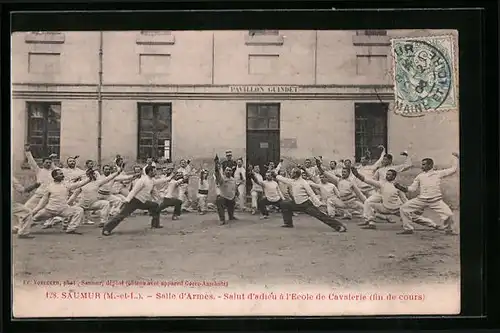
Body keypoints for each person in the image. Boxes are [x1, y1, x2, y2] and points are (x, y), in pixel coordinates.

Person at [350, 166, 435, 230]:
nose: (387, 176)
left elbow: (404, 199)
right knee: (368, 203)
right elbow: (368, 180)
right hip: (385, 208)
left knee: (415, 218)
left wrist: (411, 208)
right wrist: (357, 175)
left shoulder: (397, 186)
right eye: (387, 174)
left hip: (397, 208)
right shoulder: (381, 184)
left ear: (394, 176)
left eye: (389, 175)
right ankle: (371, 222)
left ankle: (433, 225)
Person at [395, 153, 459, 235]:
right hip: (421, 199)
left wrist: (456, 158)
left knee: (449, 214)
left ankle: (449, 230)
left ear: (430, 165)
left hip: (435, 200)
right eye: (422, 164)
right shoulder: (419, 176)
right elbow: (412, 189)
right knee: (404, 208)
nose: (422, 166)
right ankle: (408, 229)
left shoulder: (438, 173)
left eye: (424, 165)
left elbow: (453, 169)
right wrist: (400, 187)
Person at [275, 167, 346, 231]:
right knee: (284, 204)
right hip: (296, 204)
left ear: (296, 174)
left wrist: (319, 204)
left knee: (319, 215)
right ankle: (288, 223)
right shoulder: (292, 181)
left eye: (292, 173)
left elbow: (311, 194)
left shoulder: (304, 183)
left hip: (306, 205)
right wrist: (275, 174)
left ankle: (339, 226)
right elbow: (282, 179)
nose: (290, 174)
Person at [101, 165, 165, 236]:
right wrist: (127, 200)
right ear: (150, 172)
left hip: (142, 202)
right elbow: (134, 191)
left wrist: (170, 177)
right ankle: (106, 229)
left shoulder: (152, 180)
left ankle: (155, 224)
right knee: (122, 215)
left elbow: (160, 181)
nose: (156, 172)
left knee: (155, 205)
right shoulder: (142, 180)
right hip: (134, 201)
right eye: (154, 171)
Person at [31, 169, 91, 234]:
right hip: (50, 210)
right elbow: (43, 201)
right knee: (33, 219)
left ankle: (71, 229)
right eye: (60, 174)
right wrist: (35, 210)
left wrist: (89, 179)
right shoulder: (49, 187)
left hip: (63, 210)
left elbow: (78, 184)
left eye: (62, 174)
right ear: (55, 176)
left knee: (79, 210)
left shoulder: (66, 185)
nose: (63, 175)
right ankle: (21, 229)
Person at [23, 144, 57, 210]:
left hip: (50, 195)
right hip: (39, 193)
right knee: (26, 207)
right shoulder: (39, 170)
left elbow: (56, 169)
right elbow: (32, 162)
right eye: (47, 162)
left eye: (50, 163)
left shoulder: (54, 172)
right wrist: (27, 151)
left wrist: (52, 159)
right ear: (42, 163)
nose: (48, 164)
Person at [214, 155, 237, 225]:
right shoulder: (222, 179)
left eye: (230, 170)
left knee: (232, 202)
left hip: (230, 198)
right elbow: (217, 175)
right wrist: (216, 166)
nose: (228, 171)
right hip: (223, 197)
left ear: (232, 172)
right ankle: (222, 219)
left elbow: (234, 188)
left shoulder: (233, 180)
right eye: (227, 170)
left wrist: (236, 194)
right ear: (224, 171)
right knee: (219, 201)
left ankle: (231, 216)